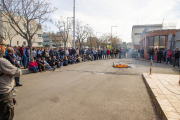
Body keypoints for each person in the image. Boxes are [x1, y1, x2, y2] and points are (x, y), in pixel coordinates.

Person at [0, 37, 21, 120]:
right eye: (4, 45)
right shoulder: (2, 61)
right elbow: (18, 72)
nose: (5, 47)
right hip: (3, 96)